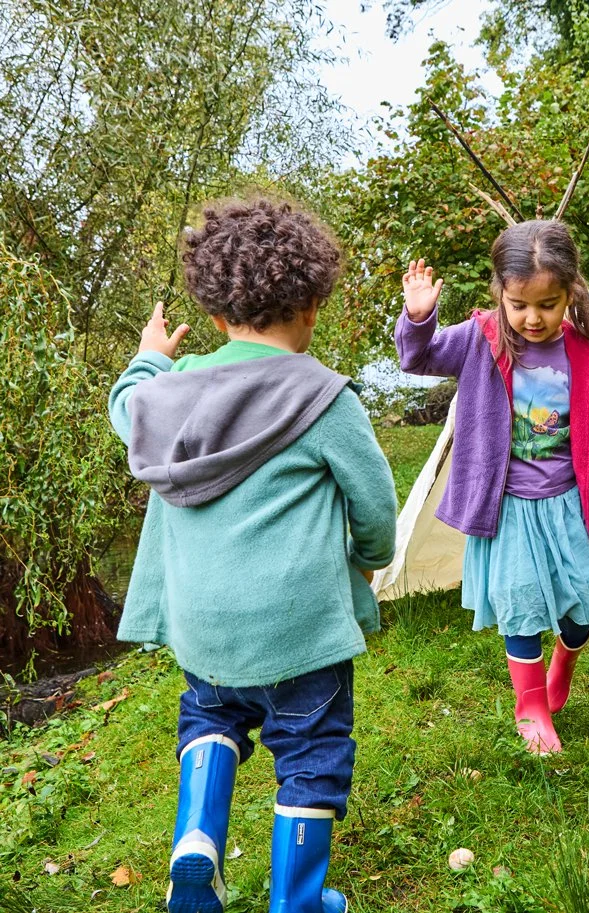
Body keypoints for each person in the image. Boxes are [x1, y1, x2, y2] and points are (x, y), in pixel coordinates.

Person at [108, 197, 397, 913]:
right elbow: (375, 505)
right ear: (311, 305)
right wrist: (367, 558)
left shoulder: (172, 390)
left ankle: (196, 839)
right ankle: (297, 901)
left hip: (204, 627)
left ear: (213, 314)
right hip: (299, 632)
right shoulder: (326, 397)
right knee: (309, 757)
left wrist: (150, 354)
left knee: (210, 719)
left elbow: (126, 403)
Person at [395, 219, 589, 755]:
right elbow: (417, 358)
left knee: (578, 616)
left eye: (547, 304)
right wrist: (419, 315)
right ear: (500, 293)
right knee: (519, 605)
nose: (533, 317)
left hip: (567, 505)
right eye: (520, 304)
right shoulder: (480, 338)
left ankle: (565, 660)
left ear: (569, 293)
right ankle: (532, 709)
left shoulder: (581, 351)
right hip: (508, 509)